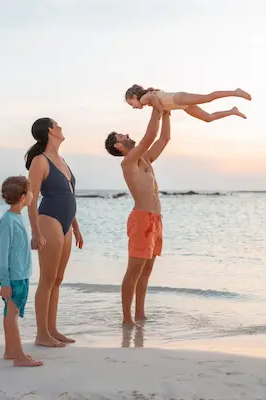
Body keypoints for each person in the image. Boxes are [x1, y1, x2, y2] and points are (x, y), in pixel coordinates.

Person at [104, 108, 170, 325]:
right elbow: (149, 136)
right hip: (141, 219)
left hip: (155, 219)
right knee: (134, 270)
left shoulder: (146, 159)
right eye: (122, 136)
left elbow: (164, 138)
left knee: (147, 270)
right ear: (118, 145)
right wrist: (155, 108)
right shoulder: (128, 162)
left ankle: (140, 313)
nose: (126, 135)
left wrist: (166, 113)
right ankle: (126, 317)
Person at [25, 117, 84, 348]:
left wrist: (76, 228)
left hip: (67, 223)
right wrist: (35, 232)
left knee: (58, 280)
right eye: (57, 124)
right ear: (50, 130)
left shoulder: (62, 160)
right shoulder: (40, 161)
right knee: (47, 280)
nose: (61, 127)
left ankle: (52, 329)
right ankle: (41, 335)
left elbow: (68, 195)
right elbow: (32, 199)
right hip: (48, 219)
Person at [0, 175, 43, 367]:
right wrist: (4, 283)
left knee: (11, 312)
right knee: (12, 314)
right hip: (13, 278)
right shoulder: (7, 221)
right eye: (31, 191)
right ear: (23, 196)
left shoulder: (17, 218)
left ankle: (10, 351)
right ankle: (19, 356)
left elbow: (16, 247)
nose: (33, 195)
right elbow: (1, 254)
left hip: (22, 274)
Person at [124, 84, 251, 122]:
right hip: (181, 105)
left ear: (134, 97)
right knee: (208, 118)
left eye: (131, 104)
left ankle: (235, 92)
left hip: (178, 99)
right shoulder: (147, 100)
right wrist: (164, 109)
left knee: (208, 98)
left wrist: (160, 111)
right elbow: (157, 100)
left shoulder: (144, 99)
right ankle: (232, 111)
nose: (133, 107)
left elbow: (153, 98)